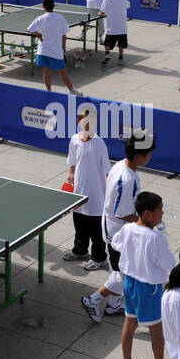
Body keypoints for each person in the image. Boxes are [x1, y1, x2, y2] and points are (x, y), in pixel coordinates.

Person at [82, 129, 155, 325]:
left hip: (119, 230)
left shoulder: (123, 166)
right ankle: (92, 300)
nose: (150, 157)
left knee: (122, 270)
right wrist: (147, 222)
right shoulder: (127, 178)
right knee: (125, 275)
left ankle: (114, 304)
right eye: (149, 154)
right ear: (140, 156)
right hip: (118, 234)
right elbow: (122, 212)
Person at [108, 190, 175, 359]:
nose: (162, 214)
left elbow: (116, 244)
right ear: (147, 213)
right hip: (150, 289)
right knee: (156, 329)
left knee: (130, 323)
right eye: (160, 211)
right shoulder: (155, 239)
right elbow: (169, 264)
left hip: (129, 283)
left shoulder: (128, 229)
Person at [62, 106, 110, 271]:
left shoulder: (99, 143)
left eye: (92, 122)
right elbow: (72, 161)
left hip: (96, 194)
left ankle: (99, 257)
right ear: (79, 122)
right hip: (79, 190)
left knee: (96, 229)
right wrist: (71, 174)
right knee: (79, 223)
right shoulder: (74, 139)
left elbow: (106, 171)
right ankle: (80, 250)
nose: (88, 125)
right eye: (85, 121)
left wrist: (110, 192)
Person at [28, 0, 76, 94]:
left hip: (43, 51)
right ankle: (71, 90)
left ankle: (49, 91)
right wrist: (64, 48)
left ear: (43, 6)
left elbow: (29, 30)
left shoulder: (40, 18)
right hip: (56, 51)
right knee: (62, 72)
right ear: (53, 5)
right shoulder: (60, 18)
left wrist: (39, 34)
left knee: (46, 72)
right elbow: (64, 35)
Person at [98, 0, 129, 65]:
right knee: (121, 44)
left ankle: (107, 54)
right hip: (122, 26)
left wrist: (99, 13)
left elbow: (102, 11)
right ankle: (120, 58)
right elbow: (128, 5)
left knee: (107, 43)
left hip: (112, 27)